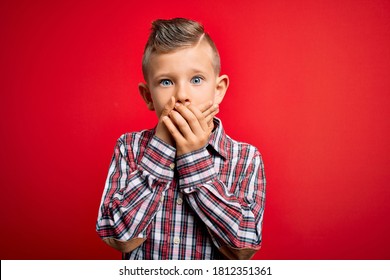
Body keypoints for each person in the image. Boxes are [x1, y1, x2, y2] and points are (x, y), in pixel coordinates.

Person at [96, 18, 266, 260]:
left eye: (196, 80)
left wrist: (194, 158)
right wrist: (162, 146)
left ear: (218, 90)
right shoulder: (129, 148)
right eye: (166, 82)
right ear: (148, 96)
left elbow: (244, 246)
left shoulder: (246, 158)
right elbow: (118, 235)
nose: (182, 95)